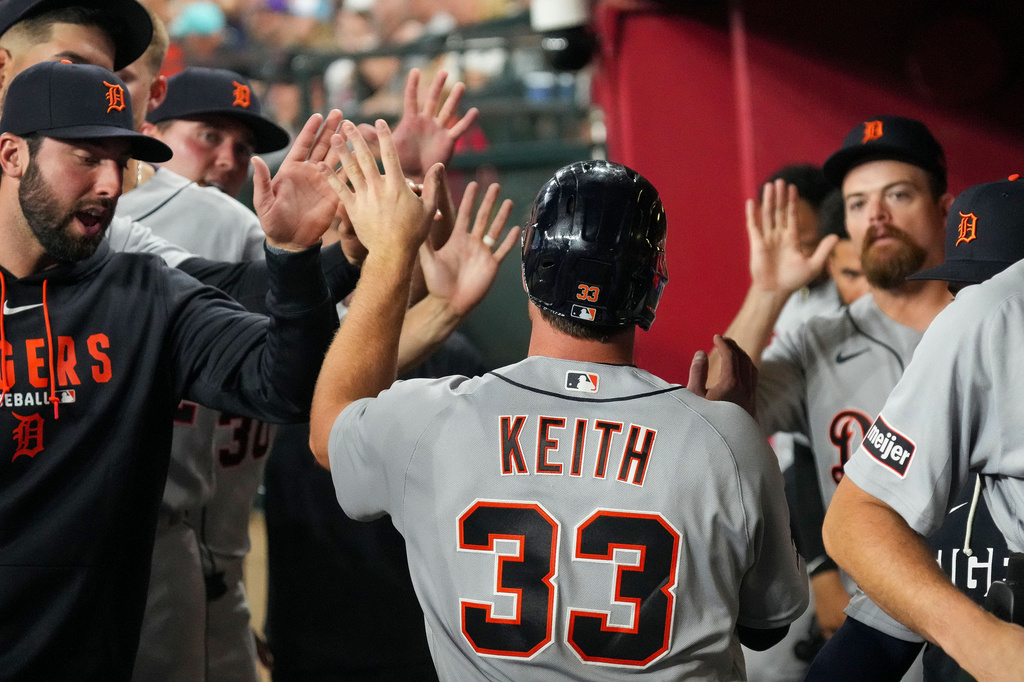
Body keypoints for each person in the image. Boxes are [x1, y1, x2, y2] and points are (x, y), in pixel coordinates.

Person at [308, 129, 808, 678]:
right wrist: (720, 432)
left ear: (527, 270)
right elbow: (767, 626)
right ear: (651, 289)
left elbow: (330, 426)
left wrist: (391, 252)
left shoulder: (430, 419)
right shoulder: (723, 441)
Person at [0, 61, 338, 681]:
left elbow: (285, 387)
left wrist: (293, 256)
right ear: (12, 154)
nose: (109, 184)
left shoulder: (147, 293)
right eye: (85, 157)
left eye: (120, 163)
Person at [711, 115, 1011, 678]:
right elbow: (710, 421)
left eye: (897, 194)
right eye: (856, 203)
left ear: (945, 209)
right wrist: (767, 293)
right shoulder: (815, 342)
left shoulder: (994, 330)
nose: (875, 215)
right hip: (871, 639)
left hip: (994, 630)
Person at [809, 175, 1024, 682]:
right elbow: (859, 652)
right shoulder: (931, 502)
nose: (962, 310)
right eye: (958, 292)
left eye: (981, 288)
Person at [144, 66, 291, 199]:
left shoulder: (249, 227)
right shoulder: (122, 223)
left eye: (243, 149)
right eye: (209, 136)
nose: (229, 162)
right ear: (149, 139)